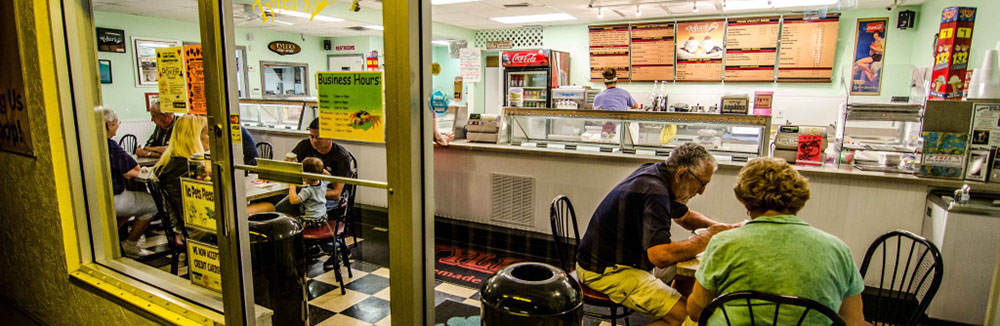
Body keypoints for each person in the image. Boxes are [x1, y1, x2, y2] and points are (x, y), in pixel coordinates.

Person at [686, 158, 866, 325]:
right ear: (799, 197)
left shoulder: (723, 243)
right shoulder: (838, 249)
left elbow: (696, 311)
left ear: (746, 201)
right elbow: (854, 321)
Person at [576, 143, 738, 326]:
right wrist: (708, 237)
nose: (701, 191)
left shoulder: (659, 174)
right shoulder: (655, 191)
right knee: (692, 318)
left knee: (689, 276)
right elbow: (660, 256)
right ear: (682, 174)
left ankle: (673, 308)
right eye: (702, 183)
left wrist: (723, 229)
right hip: (606, 270)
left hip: (625, 260)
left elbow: (684, 217)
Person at [154, 114, 273, 241]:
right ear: (195, 138)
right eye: (208, 134)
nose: (213, 139)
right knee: (269, 206)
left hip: (181, 227)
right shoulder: (196, 169)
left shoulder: (165, 165)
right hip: (206, 227)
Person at [100, 107, 158, 258]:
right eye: (117, 123)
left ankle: (108, 239)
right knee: (151, 203)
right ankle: (130, 244)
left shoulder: (89, 144)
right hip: (112, 199)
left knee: (132, 204)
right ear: (109, 124)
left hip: (95, 199)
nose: (118, 126)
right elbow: (133, 169)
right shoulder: (110, 145)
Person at [276, 118, 352, 213]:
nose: (314, 141)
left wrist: (311, 193)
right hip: (306, 190)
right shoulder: (304, 146)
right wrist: (288, 163)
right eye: (311, 137)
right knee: (281, 208)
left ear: (330, 136)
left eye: (319, 137)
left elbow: (336, 194)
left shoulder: (341, 156)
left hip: (328, 195)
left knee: (303, 210)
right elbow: (287, 166)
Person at [285, 157, 329, 223]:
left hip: (310, 220)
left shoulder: (308, 191)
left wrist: (292, 186)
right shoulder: (323, 183)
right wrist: (320, 170)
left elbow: (293, 201)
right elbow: (329, 176)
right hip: (322, 217)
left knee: (288, 220)